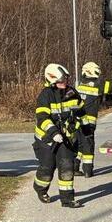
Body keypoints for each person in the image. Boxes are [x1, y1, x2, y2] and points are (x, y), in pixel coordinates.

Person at [33, 63, 84, 208]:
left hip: (65, 138)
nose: (65, 83)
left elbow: (81, 112)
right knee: (47, 167)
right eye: (61, 80)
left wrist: (79, 125)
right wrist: (54, 133)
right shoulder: (45, 95)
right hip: (47, 139)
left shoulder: (72, 93)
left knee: (67, 166)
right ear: (52, 81)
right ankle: (40, 188)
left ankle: (67, 199)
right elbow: (42, 118)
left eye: (65, 79)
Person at [74, 61, 112, 177]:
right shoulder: (97, 85)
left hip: (77, 121)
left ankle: (74, 167)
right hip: (88, 122)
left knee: (79, 144)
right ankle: (88, 170)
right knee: (88, 145)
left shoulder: (79, 84)